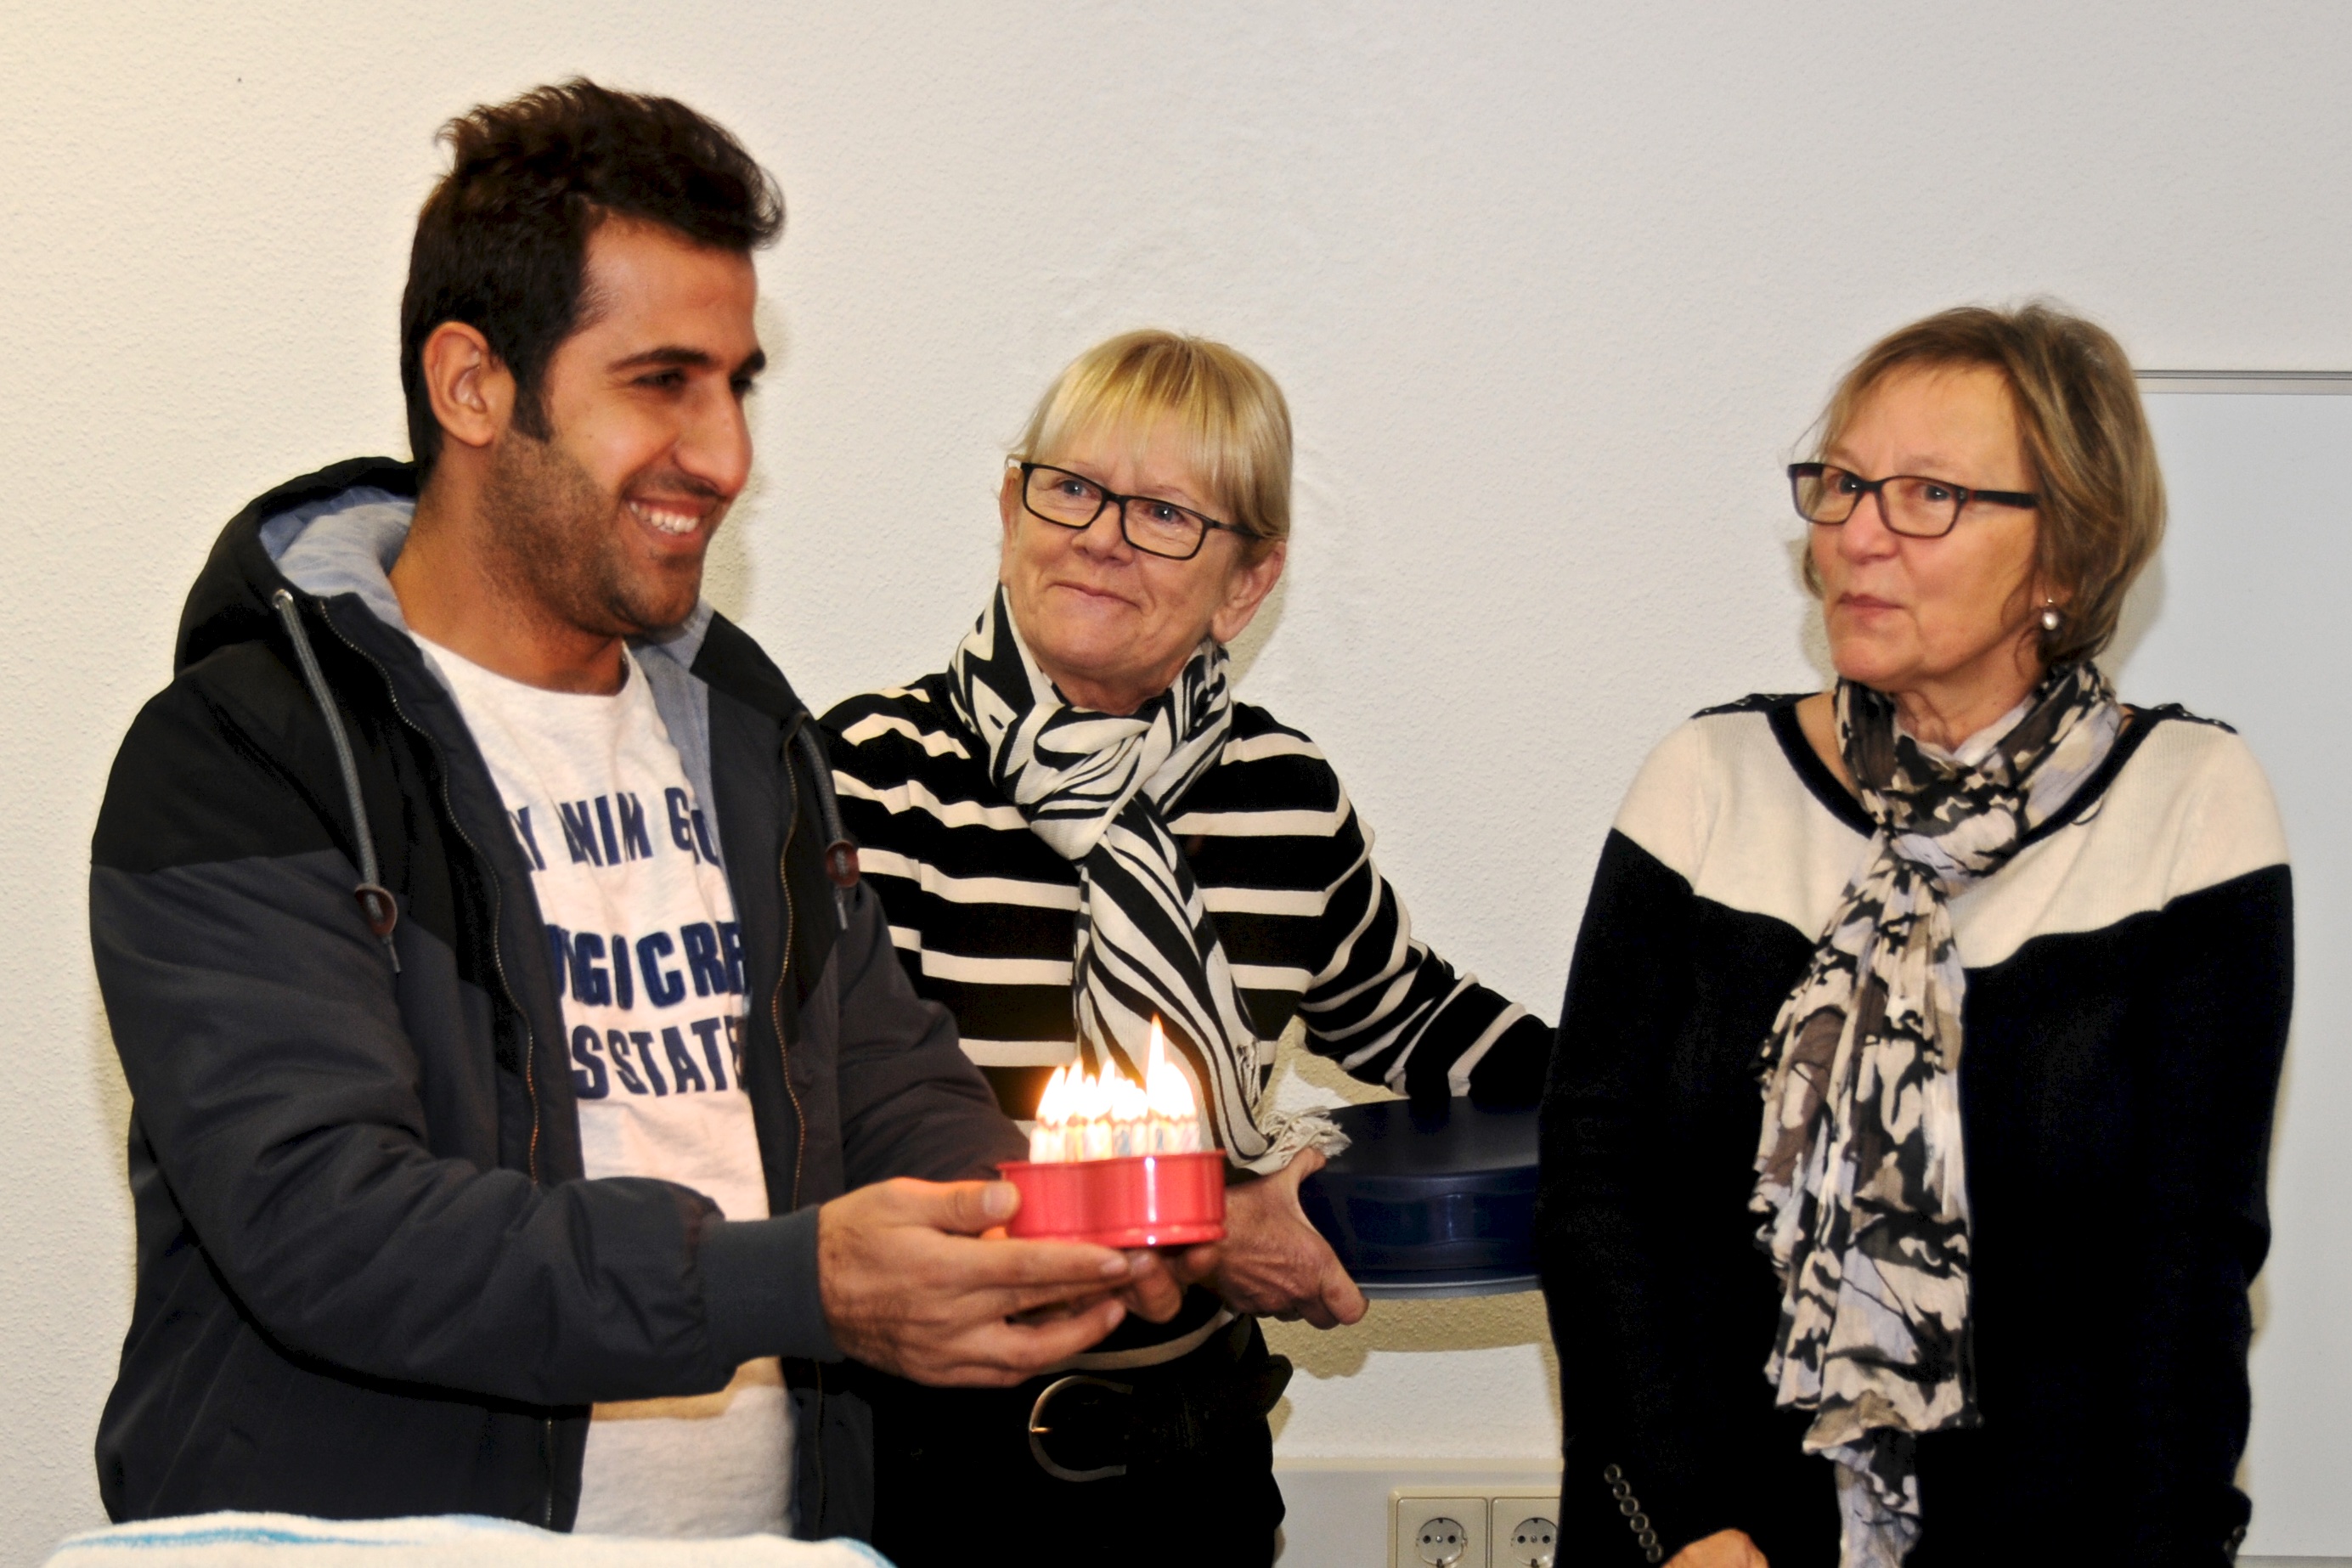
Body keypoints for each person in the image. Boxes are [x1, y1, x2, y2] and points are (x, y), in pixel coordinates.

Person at [87, 80, 1179, 1543]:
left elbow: (880, 1080)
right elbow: (326, 1222)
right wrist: (794, 1283)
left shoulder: (745, 731)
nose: (724, 457)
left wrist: (1053, 1218)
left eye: (736, 385)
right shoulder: (239, 756)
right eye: (662, 381)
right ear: (473, 386)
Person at [1536, 302, 2293, 1567]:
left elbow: (2188, 1267)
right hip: (1703, 1534)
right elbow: (1594, 1191)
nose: (1855, 534)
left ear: (2063, 560)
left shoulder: (2191, 804)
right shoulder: (1707, 780)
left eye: (1927, 494)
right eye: (1841, 484)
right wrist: (1688, 1524)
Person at [822, 329, 1554, 1567]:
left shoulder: (1282, 792)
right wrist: (1198, 1222)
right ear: (1009, 507)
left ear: (1246, 582)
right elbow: (848, 1127)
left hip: (1192, 1469)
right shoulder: (867, 778)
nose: (1102, 536)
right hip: (920, 1472)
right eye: (1071, 486)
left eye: (1165, 513)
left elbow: (1409, 1014)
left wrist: (1659, 1108)